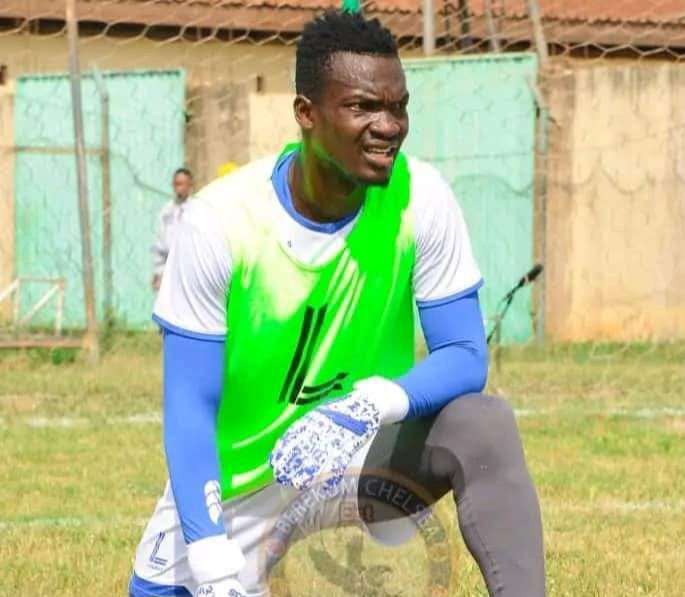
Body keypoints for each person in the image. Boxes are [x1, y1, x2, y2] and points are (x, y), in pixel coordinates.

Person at [129, 10, 544, 597]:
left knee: (482, 424)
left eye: (398, 107)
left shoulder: (421, 198)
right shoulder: (218, 224)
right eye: (362, 107)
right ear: (306, 113)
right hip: (242, 482)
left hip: (361, 455)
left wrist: (368, 404)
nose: (388, 126)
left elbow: (464, 353)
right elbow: (191, 405)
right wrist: (210, 558)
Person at [151, 168, 194, 291]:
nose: (178, 188)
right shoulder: (167, 211)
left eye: (182, 184)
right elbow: (160, 243)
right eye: (176, 184)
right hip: (170, 270)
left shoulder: (196, 209)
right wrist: (158, 272)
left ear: (190, 185)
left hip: (191, 269)